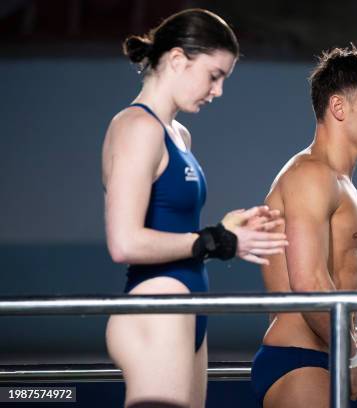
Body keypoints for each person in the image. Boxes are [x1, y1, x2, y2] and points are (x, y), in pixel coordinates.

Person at [102, 9, 288, 408]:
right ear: (176, 60)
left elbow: (177, 229)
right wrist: (215, 239)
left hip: (187, 305)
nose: (217, 91)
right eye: (214, 75)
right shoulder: (137, 127)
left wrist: (226, 232)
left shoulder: (178, 134)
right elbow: (124, 242)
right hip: (156, 306)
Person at [251, 46, 357, 407]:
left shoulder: (338, 182)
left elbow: (329, 280)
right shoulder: (311, 175)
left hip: (322, 355)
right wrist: (350, 356)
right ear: (338, 107)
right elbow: (308, 282)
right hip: (299, 363)